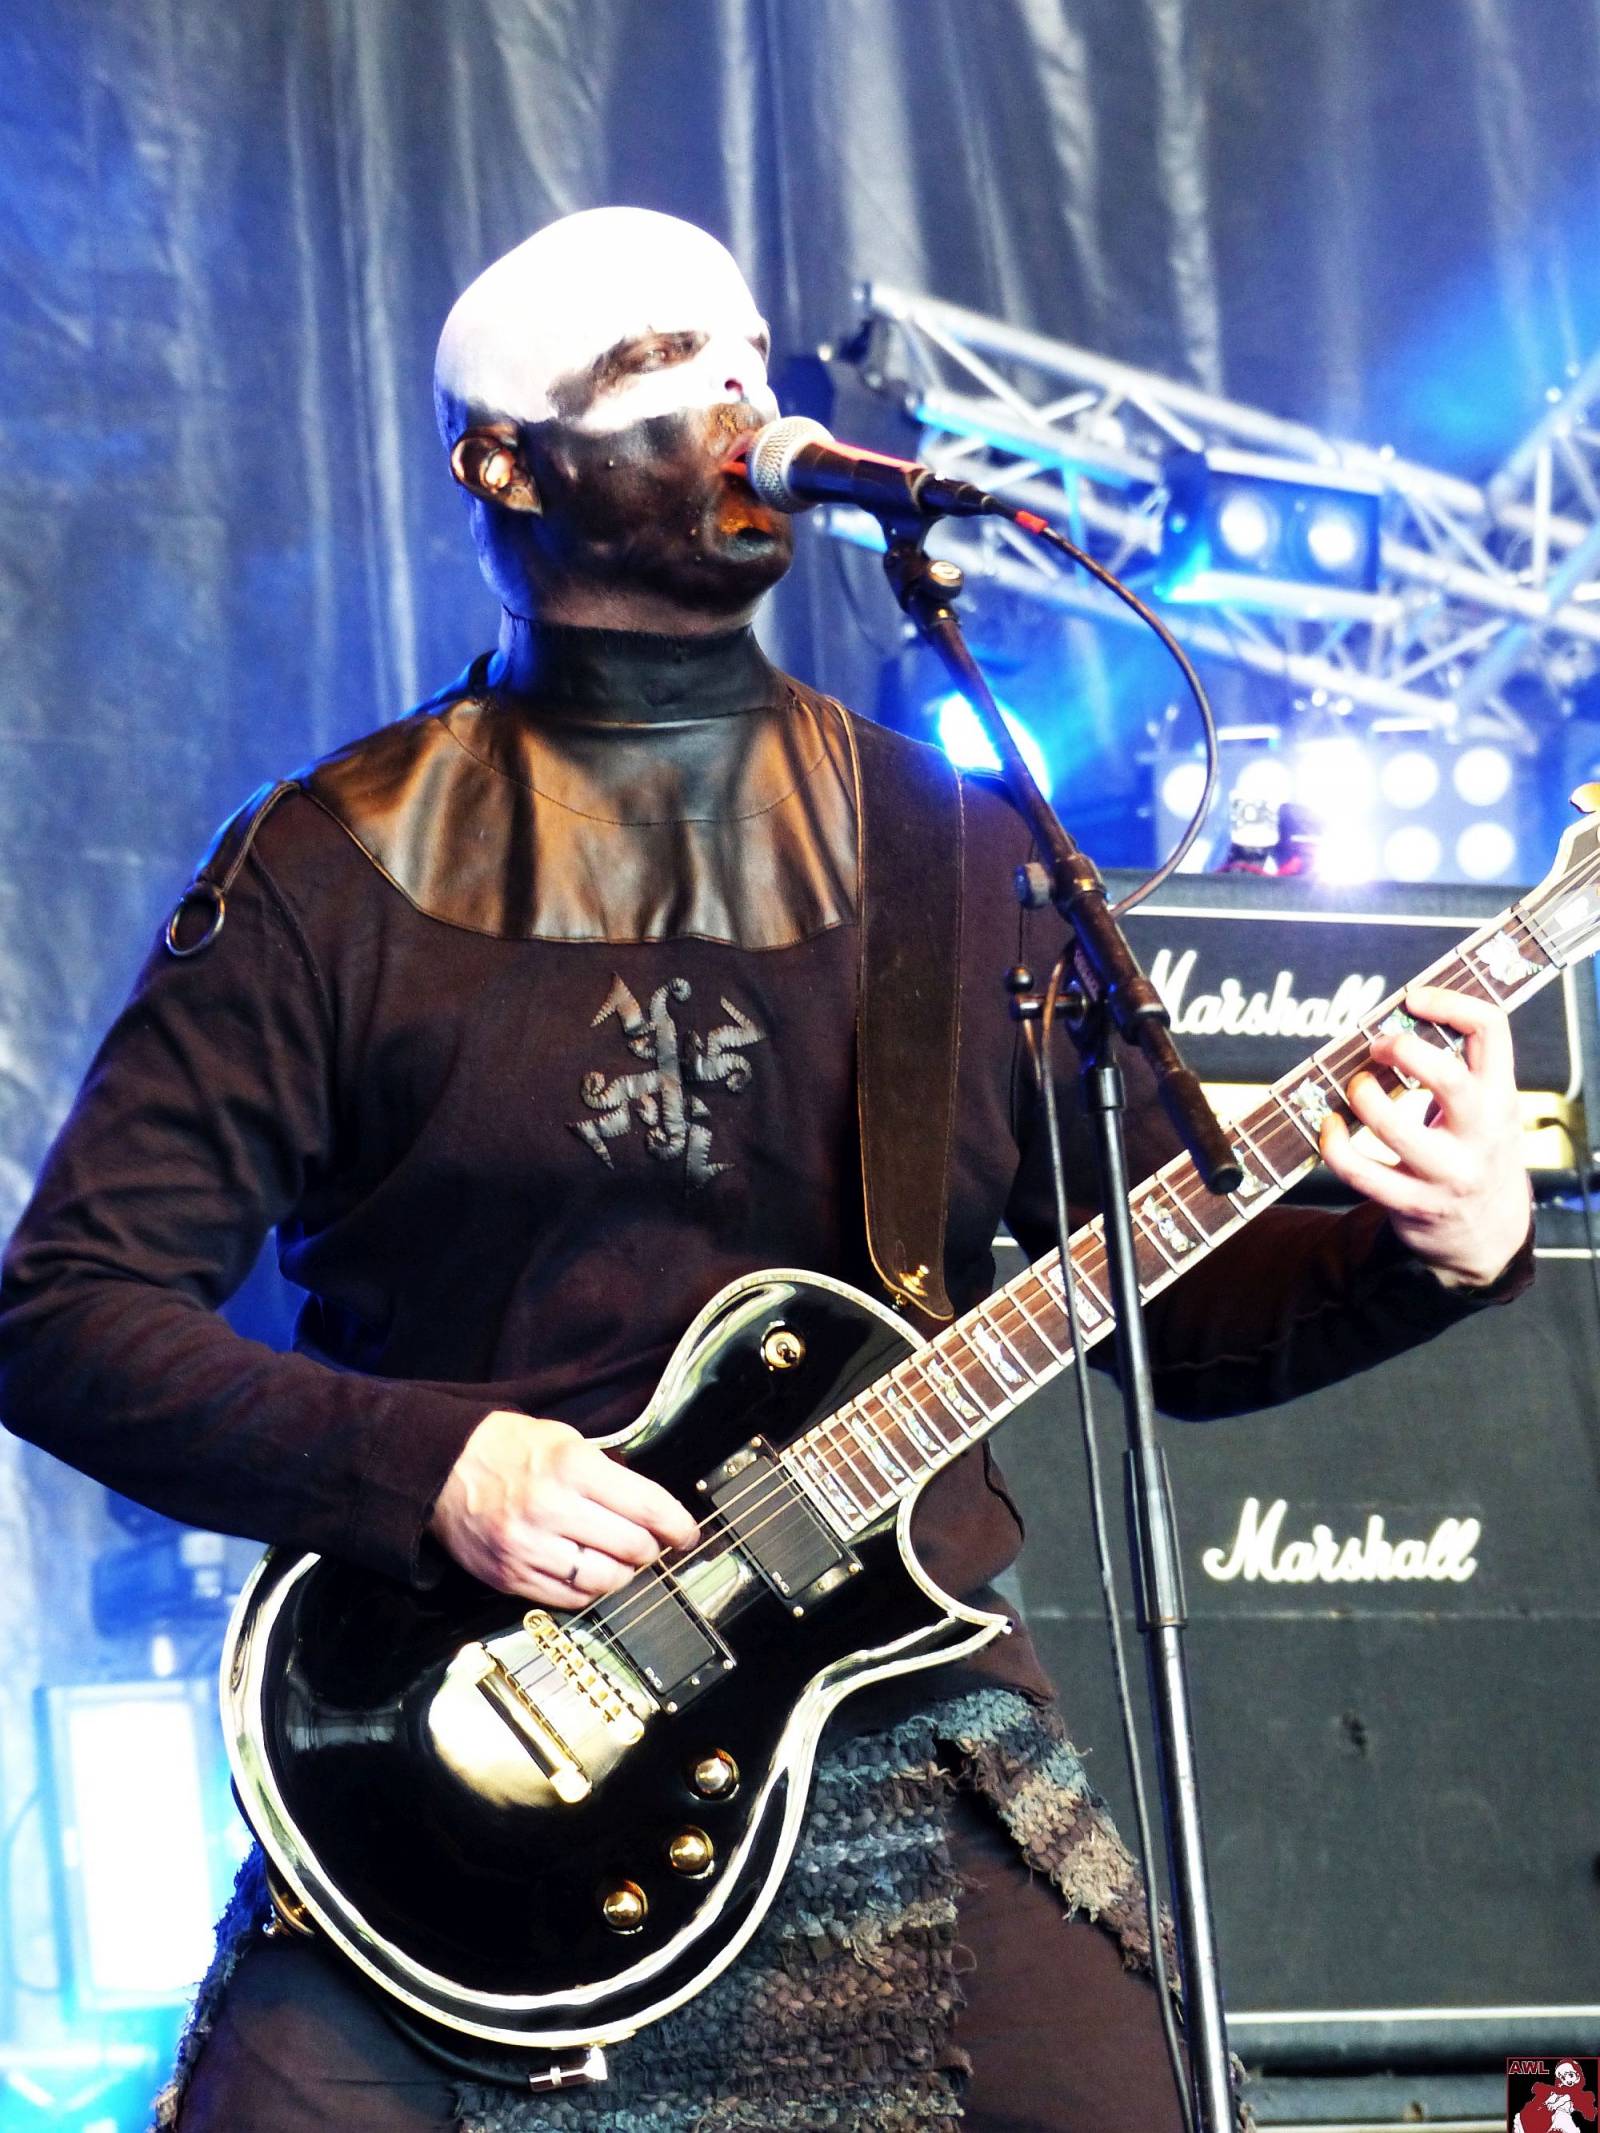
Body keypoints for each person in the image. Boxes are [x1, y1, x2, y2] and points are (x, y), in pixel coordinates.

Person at [0, 208, 1535, 2133]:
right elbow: (63, 1317)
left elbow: (1173, 1311)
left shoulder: (950, 845)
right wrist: (439, 1466)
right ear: (505, 465)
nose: (735, 388)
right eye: (658, 362)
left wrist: (1436, 1244)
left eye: (742, 349)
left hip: (891, 1709)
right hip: (459, 1735)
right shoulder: (332, 867)